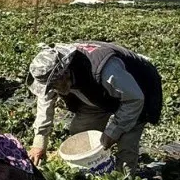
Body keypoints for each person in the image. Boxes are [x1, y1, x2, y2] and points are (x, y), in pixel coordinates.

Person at [25, 41, 163, 170]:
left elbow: (134, 99)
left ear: (64, 74)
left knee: (126, 142)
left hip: (138, 91)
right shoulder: (53, 74)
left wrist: (113, 132)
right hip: (98, 94)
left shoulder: (106, 70)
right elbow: (45, 103)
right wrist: (39, 142)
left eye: (53, 86)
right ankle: (90, 169)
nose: (52, 90)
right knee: (80, 133)